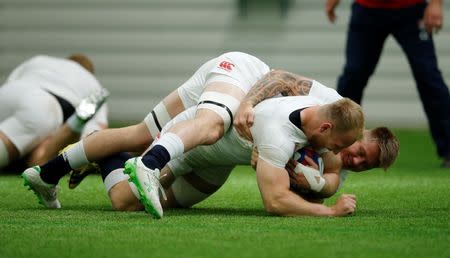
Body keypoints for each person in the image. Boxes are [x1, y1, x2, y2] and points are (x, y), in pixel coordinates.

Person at [24, 95, 365, 217]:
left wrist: (321, 182)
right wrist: (328, 211)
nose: (339, 152)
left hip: (218, 163)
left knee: (156, 201)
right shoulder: (278, 136)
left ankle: (114, 153)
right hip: (194, 144)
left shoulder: (319, 103)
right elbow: (275, 202)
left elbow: (280, 78)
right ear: (324, 128)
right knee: (125, 200)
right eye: (340, 143)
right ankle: (108, 154)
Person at [325, 0, 450, 168]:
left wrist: (436, 3)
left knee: (429, 77)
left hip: (411, 8)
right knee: (353, 75)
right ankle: (331, 143)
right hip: (367, 8)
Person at [0, 54, 109, 171]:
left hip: (12, 91)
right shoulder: (93, 83)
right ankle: (75, 124)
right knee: (40, 162)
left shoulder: (39, 60)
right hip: (46, 106)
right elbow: (98, 133)